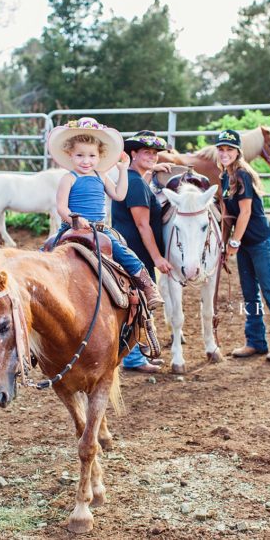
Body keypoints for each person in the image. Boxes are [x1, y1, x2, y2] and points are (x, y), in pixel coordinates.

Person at [45, 118, 164, 310]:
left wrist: (123, 171)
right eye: (80, 155)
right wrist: (74, 218)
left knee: (125, 254)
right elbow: (61, 207)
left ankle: (149, 287)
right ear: (70, 155)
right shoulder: (68, 178)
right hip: (73, 226)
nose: (86, 161)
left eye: (92, 156)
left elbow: (119, 194)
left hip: (99, 228)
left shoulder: (101, 176)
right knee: (48, 253)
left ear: (99, 156)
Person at [217, 129, 270, 363]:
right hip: (244, 244)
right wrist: (223, 244)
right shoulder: (224, 177)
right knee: (250, 293)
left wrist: (233, 242)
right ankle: (255, 341)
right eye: (221, 149)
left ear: (238, 152)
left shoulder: (242, 175)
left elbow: (245, 211)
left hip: (260, 241)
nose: (224, 153)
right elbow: (226, 215)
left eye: (229, 149)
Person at [112, 129, 174, 374]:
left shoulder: (133, 179)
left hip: (130, 246)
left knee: (136, 304)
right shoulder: (136, 184)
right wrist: (157, 257)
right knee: (138, 303)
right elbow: (142, 224)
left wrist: (151, 170)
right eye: (146, 152)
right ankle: (133, 359)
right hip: (135, 249)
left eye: (155, 153)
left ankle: (134, 356)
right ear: (133, 153)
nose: (152, 156)